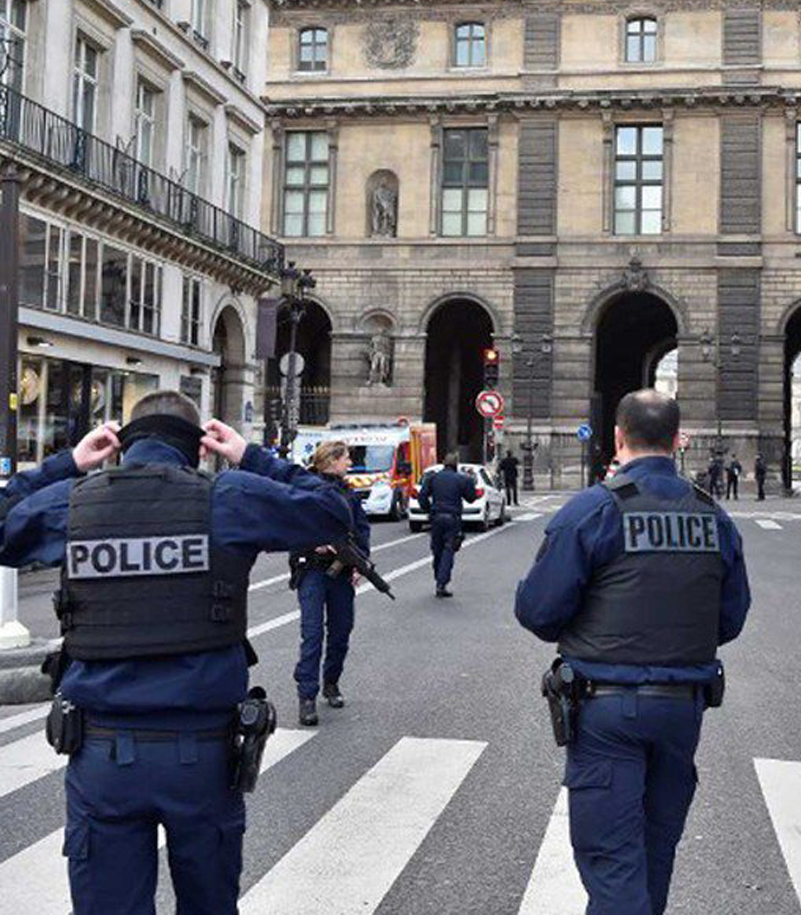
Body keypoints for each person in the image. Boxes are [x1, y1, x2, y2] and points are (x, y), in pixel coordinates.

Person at [0, 391, 354, 915]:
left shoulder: (73, 500)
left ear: (121, 445)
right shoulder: (228, 496)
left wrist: (68, 462)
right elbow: (332, 513)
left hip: (103, 755)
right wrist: (250, 456)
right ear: (199, 449)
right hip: (203, 759)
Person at [515, 389, 751, 915]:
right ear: (676, 441)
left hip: (607, 710)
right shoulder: (713, 516)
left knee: (613, 863)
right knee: (653, 854)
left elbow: (538, 611)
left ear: (617, 438)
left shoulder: (592, 511)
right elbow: (731, 618)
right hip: (681, 709)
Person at [290, 441, 371, 726]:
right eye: (347, 458)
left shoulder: (348, 493)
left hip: (341, 572)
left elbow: (361, 529)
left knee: (341, 632)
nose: (350, 463)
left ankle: (331, 682)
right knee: (312, 634)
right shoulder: (306, 488)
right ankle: (307, 696)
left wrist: (361, 562)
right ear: (333, 460)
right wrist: (317, 544)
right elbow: (291, 525)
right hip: (311, 568)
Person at [418, 452, 476, 598]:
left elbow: (422, 496)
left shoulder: (433, 478)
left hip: (436, 517)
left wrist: (428, 509)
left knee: (437, 550)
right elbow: (471, 498)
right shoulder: (461, 479)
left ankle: (438, 577)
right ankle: (441, 583)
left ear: (444, 463)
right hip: (452, 518)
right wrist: (470, 481)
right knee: (448, 550)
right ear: (456, 464)